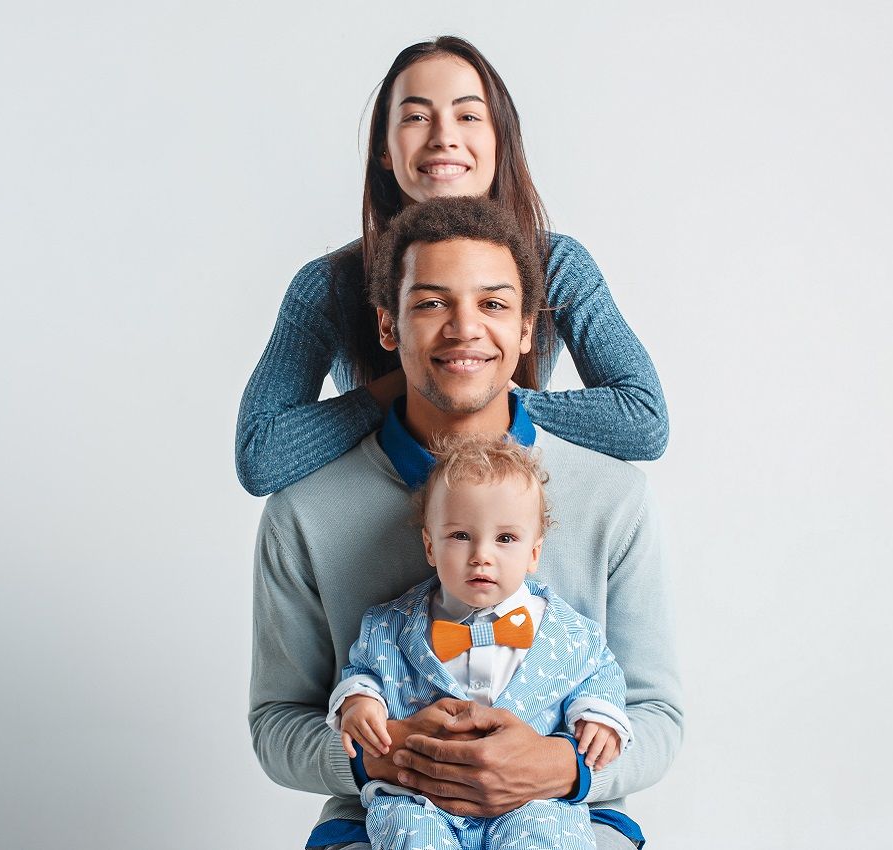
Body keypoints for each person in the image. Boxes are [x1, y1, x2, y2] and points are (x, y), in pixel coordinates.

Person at [249, 196, 682, 850]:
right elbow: (277, 723)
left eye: (494, 304)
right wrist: (380, 755)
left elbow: (658, 714)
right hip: (381, 820)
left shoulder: (615, 498)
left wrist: (565, 765)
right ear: (388, 328)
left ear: (528, 329)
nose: (464, 328)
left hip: (573, 816)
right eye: (429, 303)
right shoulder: (303, 513)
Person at [235, 35, 669, 497]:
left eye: (467, 116)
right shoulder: (329, 285)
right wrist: (425, 379)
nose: (444, 137)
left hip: (509, 511)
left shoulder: (556, 264)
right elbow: (262, 455)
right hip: (381, 501)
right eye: (418, 117)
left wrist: (486, 390)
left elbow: (643, 419)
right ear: (384, 147)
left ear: (499, 139)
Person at [331, 433, 633, 850]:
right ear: (430, 545)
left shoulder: (570, 633)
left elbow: (601, 672)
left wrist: (599, 717)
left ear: (534, 553)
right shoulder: (390, 626)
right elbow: (363, 672)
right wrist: (360, 701)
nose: (481, 556)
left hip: (530, 799)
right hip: (421, 797)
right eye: (460, 536)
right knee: (405, 829)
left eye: (505, 539)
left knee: (550, 834)